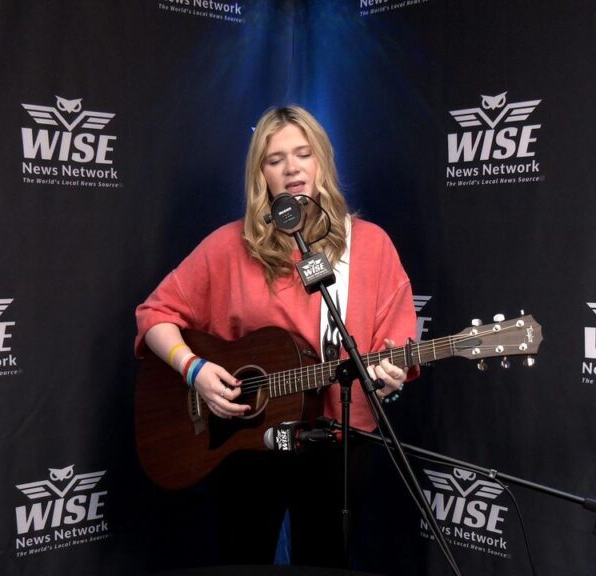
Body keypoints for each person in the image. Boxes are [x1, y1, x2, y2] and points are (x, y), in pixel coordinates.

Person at [134, 105, 419, 567]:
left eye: (303, 154)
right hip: (247, 439)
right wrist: (196, 370)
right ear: (260, 174)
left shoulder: (370, 245)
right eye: (275, 159)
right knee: (242, 557)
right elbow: (154, 315)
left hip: (339, 443)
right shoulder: (229, 246)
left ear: (321, 160)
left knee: (326, 560)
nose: (291, 169)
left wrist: (392, 371)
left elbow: (397, 344)